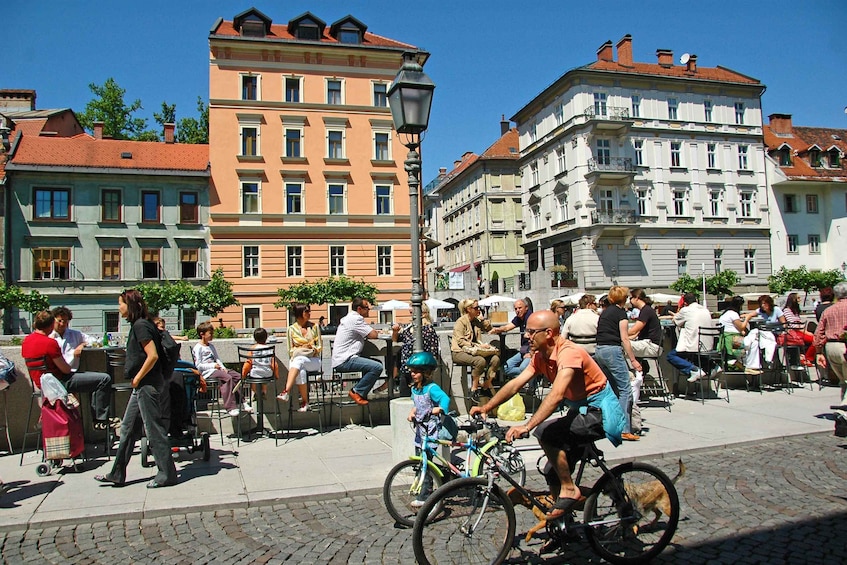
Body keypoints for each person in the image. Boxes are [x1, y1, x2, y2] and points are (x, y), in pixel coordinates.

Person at [471, 310, 624, 523]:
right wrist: (487, 407)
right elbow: (515, 384)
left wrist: (527, 425)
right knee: (552, 470)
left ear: (549, 333)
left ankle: (571, 490)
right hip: (579, 410)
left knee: (545, 432)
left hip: (599, 412)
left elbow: (556, 395)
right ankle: (563, 525)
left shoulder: (568, 353)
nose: (526, 336)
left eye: (532, 332)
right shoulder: (540, 357)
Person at [94, 289, 178, 489]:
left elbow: (153, 356)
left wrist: (137, 377)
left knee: (153, 429)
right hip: (143, 384)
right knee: (128, 429)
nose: (119, 307)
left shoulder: (140, 326)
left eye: (121, 303)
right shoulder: (142, 324)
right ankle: (116, 473)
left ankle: (167, 474)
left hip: (146, 384)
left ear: (129, 305)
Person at [42, 307, 113, 430]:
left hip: (72, 374)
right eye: (59, 321)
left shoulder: (75, 334)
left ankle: (98, 419)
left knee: (96, 382)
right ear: (53, 321)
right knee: (103, 379)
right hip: (60, 378)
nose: (62, 324)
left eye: (65, 321)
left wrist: (82, 345)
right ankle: (100, 419)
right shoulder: (49, 338)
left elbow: (95, 341)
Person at [593, 286, 642, 442]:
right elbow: (624, 338)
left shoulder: (605, 312)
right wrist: (633, 360)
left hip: (599, 350)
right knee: (625, 390)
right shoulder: (620, 313)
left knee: (611, 389)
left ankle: (608, 425)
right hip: (612, 351)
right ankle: (623, 429)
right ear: (624, 298)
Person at [405, 351, 451, 508]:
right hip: (420, 431)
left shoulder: (432, 388)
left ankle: (426, 495)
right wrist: (412, 413)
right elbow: (416, 406)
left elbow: (445, 399)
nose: (413, 374)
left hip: (431, 430)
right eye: (411, 371)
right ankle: (425, 489)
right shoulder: (415, 390)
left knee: (426, 462)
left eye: (416, 372)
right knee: (421, 461)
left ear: (426, 373)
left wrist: (438, 409)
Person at [331, 297, 391, 406]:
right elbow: (372, 335)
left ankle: (361, 393)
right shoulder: (355, 319)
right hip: (345, 360)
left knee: (377, 364)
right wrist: (377, 332)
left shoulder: (349, 318)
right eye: (367, 308)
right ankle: (356, 392)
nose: (369, 310)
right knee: (377, 367)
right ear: (359, 309)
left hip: (343, 358)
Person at [193, 321, 248, 417]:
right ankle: (230, 407)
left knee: (237, 376)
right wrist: (212, 366)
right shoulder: (198, 348)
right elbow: (198, 365)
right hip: (208, 372)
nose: (212, 335)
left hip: (217, 369)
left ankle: (241, 401)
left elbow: (217, 359)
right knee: (227, 378)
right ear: (202, 334)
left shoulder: (211, 346)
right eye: (210, 333)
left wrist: (223, 368)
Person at [451, 298, 500, 403]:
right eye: (476, 307)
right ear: (469, 309)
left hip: (475, 351)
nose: (479, 309)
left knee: (495, 359)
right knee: (480, 361)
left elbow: (488, 328)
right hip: (459, 352)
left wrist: (482, 319)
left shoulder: (476, 321)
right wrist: (477, 346)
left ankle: (486, 385)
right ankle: (474, 389)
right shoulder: (461, 322)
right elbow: (460, 341)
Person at [814, 282, 847, 437]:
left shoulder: (829, 310)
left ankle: (843, 414)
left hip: (831, 347)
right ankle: (843, 413)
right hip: (844, 346)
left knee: (843, 381)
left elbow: (818, 332)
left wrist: (819, 351)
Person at [389, 303, 440, 391]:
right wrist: (395, 331)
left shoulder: (428, 329)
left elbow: (433, 350)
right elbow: (396, 339)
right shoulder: (409, 327)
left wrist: (429, 370)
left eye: (413, 313)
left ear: (423, 314)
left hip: (420, 370)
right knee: (404, 393)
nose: (411, 315)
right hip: (406, 367)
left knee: (419, 394)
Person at [279, 305, 321, 411]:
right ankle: (305, 402)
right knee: (300, 368)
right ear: (299, 314)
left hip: (314, 360)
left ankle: (286, 391)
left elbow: (319, 346)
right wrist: (302, 348)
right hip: (299, 361)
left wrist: (310, 348)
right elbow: (290, 350)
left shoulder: (314, 327)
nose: (309, 314)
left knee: (298, 360)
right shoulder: (291, 329)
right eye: (306, 312)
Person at [666, 293, 715, 382]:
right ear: (696, 300)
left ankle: (693, 370)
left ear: (685, 303)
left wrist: (677, 313)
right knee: (696, 356)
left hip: (694, 347)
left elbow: (676, 321)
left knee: (671, 356)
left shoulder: (686, 310)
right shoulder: (705, 310)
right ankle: (712, 366)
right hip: (707, 347)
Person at [490, 298, 533, 379]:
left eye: (520, 308)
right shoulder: (519, 318)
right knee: (505, 368)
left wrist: (531, 352)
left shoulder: (531, 318)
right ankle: (531, 374)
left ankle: (531, 379)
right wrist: (497, 329)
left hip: (532, 351)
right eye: (516, 309)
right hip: (523, 350)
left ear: (526, 308)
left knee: (523, 368)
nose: (517, 310)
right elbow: (507, 327)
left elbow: (538, 337)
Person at [717, 296, 757, 368]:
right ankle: (751, 365)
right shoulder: (733, 314)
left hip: (726, 338)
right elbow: (741, 327)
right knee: (754, 343)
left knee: (749, 337)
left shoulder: (726, 313)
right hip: (733, 340)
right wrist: (747, 319)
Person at [782, 293, 815, 365]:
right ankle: (808, 358)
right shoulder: (787, 310)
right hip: (794, 332)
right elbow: (793, 325)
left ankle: (805, 357)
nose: (800, 300)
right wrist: (806, 332)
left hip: (800, 331)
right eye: (798, 298)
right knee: (814, 340)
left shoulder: (795, 311)